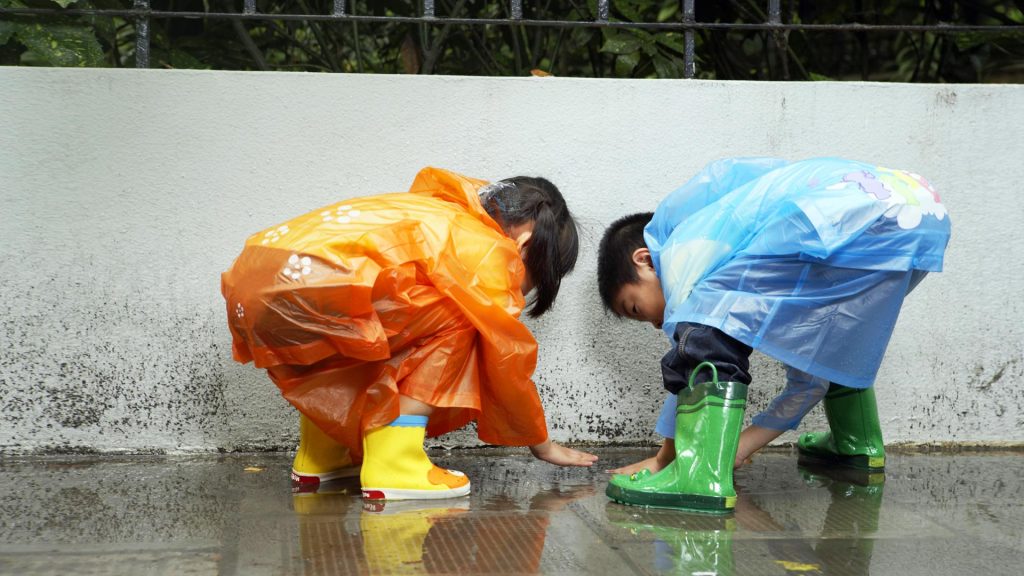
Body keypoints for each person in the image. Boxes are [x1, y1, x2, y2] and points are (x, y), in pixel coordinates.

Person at [597, 157, 950, 512]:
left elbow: (697, 346)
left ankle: (699, 478)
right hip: (919, 213)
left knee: (703, 331)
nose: (655, 324)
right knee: (837, 337)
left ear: (644, 259)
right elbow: (812, 376)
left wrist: (666, 459)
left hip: (845, 211)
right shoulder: (730, 237)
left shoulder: (682, 252)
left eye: (635, 309)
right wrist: (743, 445)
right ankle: (856, 446)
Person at [222, 167, 598, 501]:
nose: (519, 292)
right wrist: (541, 443)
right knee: (468, 321)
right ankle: (396, 467)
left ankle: (323, 458)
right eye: (531, 280)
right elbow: (508, 366)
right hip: (313, 284)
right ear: (525, 244)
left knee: (379, 339)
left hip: (255, 274)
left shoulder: (441, 213)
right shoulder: (484, 251)